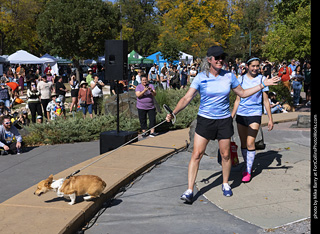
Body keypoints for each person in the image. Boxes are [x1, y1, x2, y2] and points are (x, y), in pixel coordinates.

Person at [166, 46, 280, 202]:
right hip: (205, 120)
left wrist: (262, 84)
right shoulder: (200, 77)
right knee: (197, 154)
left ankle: (225, 183)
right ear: (209, 60)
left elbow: (243, 93)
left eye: (222, 58)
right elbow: (186, 98)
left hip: (224, 120)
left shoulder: (229, 76)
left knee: (226, 155)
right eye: (217, 58)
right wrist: (173, 112)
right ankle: (189, 189)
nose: (220, 60)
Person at [231, 57, 274, 183]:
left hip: (255, 114)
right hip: (241, 114)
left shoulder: (262, 80)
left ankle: (248, 170)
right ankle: (246, 164)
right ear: (247, 66)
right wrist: (231, 116)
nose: (255, 68)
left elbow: (266, 100)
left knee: (250, 143)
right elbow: (237, 100)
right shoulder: (241, 79)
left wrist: (270, 119)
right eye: (253, 66)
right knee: (243, 144)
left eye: (257, 66)